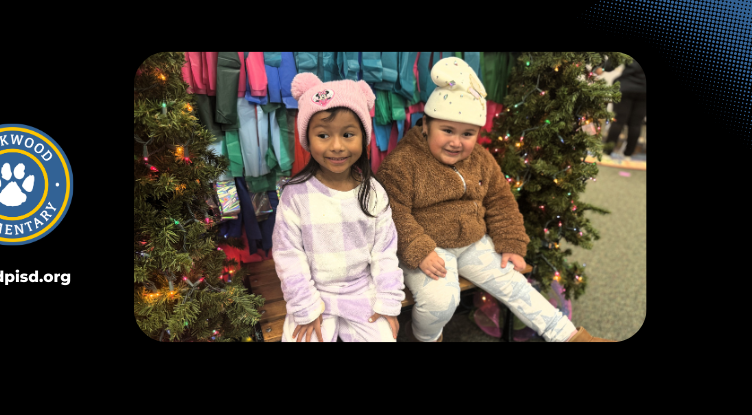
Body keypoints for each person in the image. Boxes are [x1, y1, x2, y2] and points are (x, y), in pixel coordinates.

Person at [375, 56, 615, 342]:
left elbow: (501, 200)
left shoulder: (480, 159)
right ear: (426, 124)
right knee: (440, 301)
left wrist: (510, 242)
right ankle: (429, 338)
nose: (456, 142)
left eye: (468, 134)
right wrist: (418, 248)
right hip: (429, 246)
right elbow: (392, 212)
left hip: (473, 242)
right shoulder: (403, 163)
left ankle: (568, 336)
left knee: (515, 285)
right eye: (447, 130)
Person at [272, 72, 405, 342]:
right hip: (314, 291)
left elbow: (385, 253)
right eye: (323, 134)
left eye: (347, 134)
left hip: (361, 291)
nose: (336, 146)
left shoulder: (375, 193)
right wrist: (306, 307)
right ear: (308, 138)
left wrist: (389, 301)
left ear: (363, 137)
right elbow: (289, 257)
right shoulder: (294, 195)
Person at [596, 59, 645, 161]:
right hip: (644, 91)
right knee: (636, 124)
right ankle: (628, 155)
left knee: (618, 121)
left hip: (626, 87)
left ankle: (607, 152)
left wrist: (602, 68)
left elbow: (616, 58)